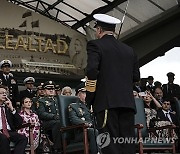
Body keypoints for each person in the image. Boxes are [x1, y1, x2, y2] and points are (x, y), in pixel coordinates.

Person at [85, 14, 140, 154]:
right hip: (127, 103)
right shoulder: (130, 50)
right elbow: (136, 77)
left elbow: (91, 71)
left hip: (107, 103)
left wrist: (90, 98)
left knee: (110, 144)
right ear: (113, 30)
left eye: (96, 29)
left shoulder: (95, 45)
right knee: (127, 143)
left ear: (99, 29)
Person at [68, 83, 99, 154]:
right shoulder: (73, 106)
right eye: (84, 93)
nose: (87, 95)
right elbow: (74, 119)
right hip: (81, 133)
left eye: (88, 93)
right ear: (78, 95)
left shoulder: (92, 105)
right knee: (93, 131)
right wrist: (88, 124)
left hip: (94, 129)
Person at [0, 85, 28, 154]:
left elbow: (19, 122)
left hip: (9, 131)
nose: (4, 95)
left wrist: (12, 108)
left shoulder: (8, 108)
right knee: (3, 139)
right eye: (2, 93)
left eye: (5, 93)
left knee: (23, 138)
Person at [36, 81, 61, 153]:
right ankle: (57, 148)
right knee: (57, 123)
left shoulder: (58, 100)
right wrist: (53, 116)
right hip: (46, 123)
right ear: (44, 91)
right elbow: (41, 113)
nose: (51, 90)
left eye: (52, 89)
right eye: (48, 89)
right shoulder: (41, 101)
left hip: (58, 121)